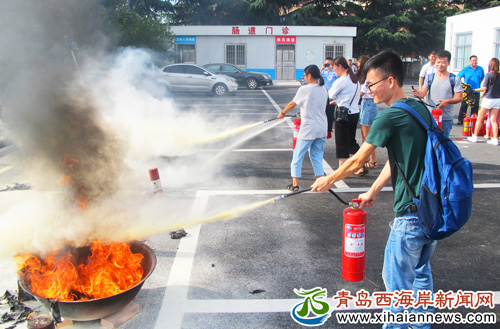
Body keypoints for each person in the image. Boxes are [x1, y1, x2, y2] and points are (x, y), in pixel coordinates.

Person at [312, 50, 437, 329]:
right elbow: (400, 160)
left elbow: (357, 159)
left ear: (390, 81)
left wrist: (328, 179)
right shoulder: (419, 109)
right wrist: (373, 190)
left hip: (411, 216)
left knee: (397, 287)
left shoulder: (390, 116)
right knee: (420, 275)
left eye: (371, 84)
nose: (368, 90)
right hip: (432, 211)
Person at [278, 64, 328, 190]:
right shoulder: (323, 88)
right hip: (321, 127)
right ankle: (321, 181)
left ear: (309, 75)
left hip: (308, 129)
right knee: (317, 155)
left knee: (297, 155)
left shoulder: (305, 89)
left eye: (305, 75)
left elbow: (292, 104)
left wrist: (282, 113)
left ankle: (295, 184)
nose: (304, 78)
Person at [412, 50, 463, 136]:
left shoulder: (454, 79)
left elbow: (460, 98)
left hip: (445, 119)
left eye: (443, 62)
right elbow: (423, 93)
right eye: (438, 62)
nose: (440, 65)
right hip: (431, 117)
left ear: (448, 63)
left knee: (443, 145)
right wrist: (418, 93)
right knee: (430, 144)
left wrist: (447, 102)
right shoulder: (430, 77)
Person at [329, 56, 361, 169]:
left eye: (334, 68)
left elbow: (330, 94)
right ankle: (361, 164)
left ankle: (342, 169)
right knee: (351, 142)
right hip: (354, 113)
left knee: (342, 143)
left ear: (340, 67)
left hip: (343, 115)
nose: (333, 70)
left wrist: (338, 99)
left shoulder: (342, 80)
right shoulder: (355, 80)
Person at [467, 58, 500, 145]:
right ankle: (495, 139)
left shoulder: (489, 75)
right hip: (497, 99)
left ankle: (475, 137)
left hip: (488, 99)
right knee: (494, 120)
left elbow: (484, 88)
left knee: (480, 118)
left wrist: (474, 90)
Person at [357, 55, 378, 172]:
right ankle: (367, 159)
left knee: (368, 135)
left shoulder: (368, 77)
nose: (358, 67)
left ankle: (372, 160)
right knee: (364, 135)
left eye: (359, 65)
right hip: (366, 103)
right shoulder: (363, 76)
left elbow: (360, 93)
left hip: (369, 103)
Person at [457, 55, 485, 123]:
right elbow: (458, 77)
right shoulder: (466, 69)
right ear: (470, 61)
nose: (475, 62)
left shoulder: (480, 69)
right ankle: (461, 120)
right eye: (473, 60)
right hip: (467, 91)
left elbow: (482, 78)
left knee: (475, 106)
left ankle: (473, 120)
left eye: (476, 60)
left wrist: (478, 85)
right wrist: (462, 86)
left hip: (476, 91)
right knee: (464, 105)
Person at [321, 57, 338, 138]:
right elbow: (317, 78)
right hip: (323, 93)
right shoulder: (323, 71)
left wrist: (333, 68)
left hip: (331, 94)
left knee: (330, 112)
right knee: (322, 111)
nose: (328, 65)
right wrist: (322, 68)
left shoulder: (334, 72)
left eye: (330, 64)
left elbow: (338, 79)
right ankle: (323, 127)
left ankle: (329, 129)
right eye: (326, 63)